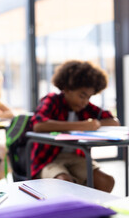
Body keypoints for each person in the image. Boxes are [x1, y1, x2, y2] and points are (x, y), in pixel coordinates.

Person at [30, 60, 119, 192]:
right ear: (67, 89)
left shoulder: (86, 108)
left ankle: (91, 211)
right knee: (64, 182)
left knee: (106, 181)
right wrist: (81, 125)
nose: (85, 102)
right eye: (82, 95)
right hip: (48, 159)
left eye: (89, 97)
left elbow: (114, 122)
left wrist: (97, 123)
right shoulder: (52, 100)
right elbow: (38, 124)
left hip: (76, 157)